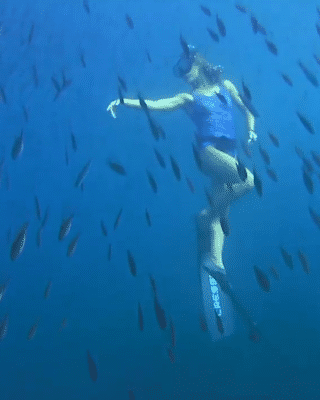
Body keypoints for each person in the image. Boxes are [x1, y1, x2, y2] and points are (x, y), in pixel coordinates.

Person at [106, 46, 257, 340]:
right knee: (247, 181)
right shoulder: (188, 98)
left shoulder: (226, 85)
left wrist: (252, 129)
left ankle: (216, 266)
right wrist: (123, 101)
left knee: (221, 220)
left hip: (230, 153)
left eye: (186, 69)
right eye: (180, 73)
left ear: (199, 65)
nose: (184, 77)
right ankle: (206, 215)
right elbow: (157, 104)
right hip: (210, 154)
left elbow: (247, 109)